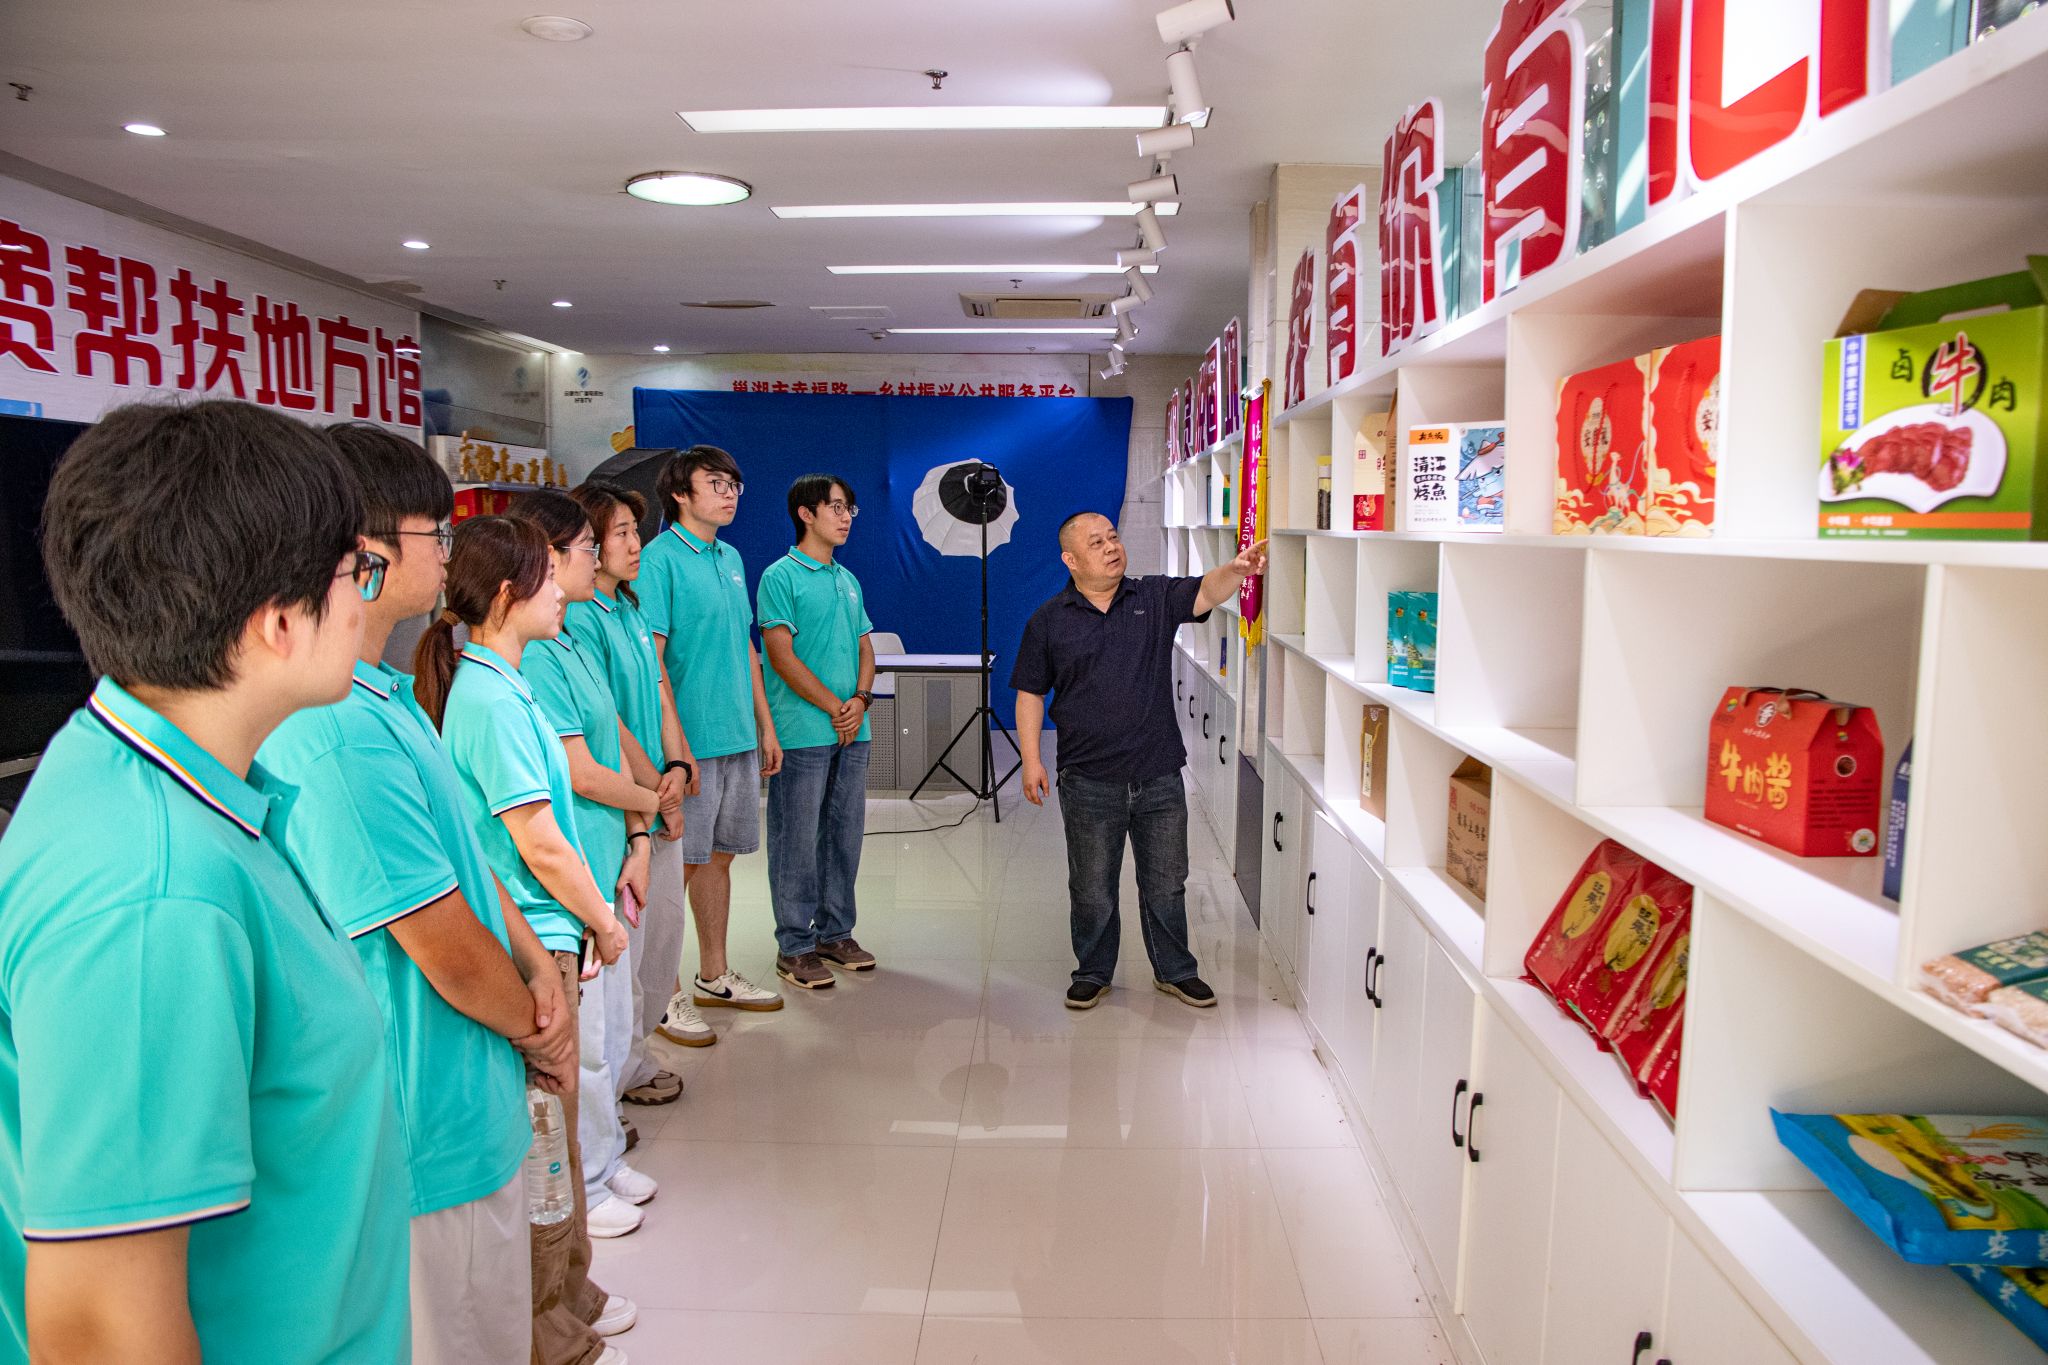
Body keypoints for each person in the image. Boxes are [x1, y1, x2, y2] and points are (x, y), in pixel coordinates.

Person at [0, 400, 409, 1361]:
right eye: (356, 571)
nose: (366, 601)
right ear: (277, 621)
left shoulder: (168, 786)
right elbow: (102, 1327)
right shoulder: (152, 894)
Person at [259, 425, 581, 1365]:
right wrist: (538, 1025)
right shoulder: (336, 729)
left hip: (468, 1102)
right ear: (364, 549)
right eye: (435, 532)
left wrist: (537, 966)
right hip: (421, 1128)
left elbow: (464, 864)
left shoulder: (387, 697)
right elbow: (437, 938)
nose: (449, 551)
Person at [412, 516, 636, 1364]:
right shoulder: (489, 697)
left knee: (560, 1132)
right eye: (548, 575)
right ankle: (547, 1326)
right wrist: (603, 920)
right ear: (508, 594)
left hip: (553, 933)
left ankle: (570, 1292)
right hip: (535, 941)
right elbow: (537, 841)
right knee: (545, 1140)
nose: (564, 590)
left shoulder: (507, 683)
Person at [1010, 512, 1267, 1010]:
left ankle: (1175, 970)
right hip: (1088, 780)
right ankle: (1093, 971)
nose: (1112, 547)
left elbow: (1205, 591)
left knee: (1166, 884)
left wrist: (1235, 571)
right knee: (1092, 889)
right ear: (1070, 559)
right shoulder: (1049, 619)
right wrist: (1031, 759)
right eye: (1097, 542)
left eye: (1113, 537)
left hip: (1158, 773)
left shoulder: (1152, 596)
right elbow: (1030, 693)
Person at [507, 491, 672, 1215]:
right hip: (575, 874)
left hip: (612, 855)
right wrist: (650, 803)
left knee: (613, 1027)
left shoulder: (574, 639)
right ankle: (589, 1178)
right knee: (590, 1039)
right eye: (589, 545)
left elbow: (614, 738)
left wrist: (639, 829)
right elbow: (578, 772)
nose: (602, 555)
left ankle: (605, 1161)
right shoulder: (538, 657)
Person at [567, 481, 716, 1065]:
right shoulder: (579, 619)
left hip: (657, 790)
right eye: (621, 533)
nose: (635, 545)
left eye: (636, 531)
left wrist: (677, 762)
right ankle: (625, 1071)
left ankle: (638, 1053)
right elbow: (608, 720)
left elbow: (657, 690)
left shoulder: (630, 608)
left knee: (662, 938)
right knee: (626, 945)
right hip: (625, 800)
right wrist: (656, 788)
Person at [638, 445, 784, 1016]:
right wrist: (677, 751)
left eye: (734, 485)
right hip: (690, 744)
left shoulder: (731, 556)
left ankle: (713, 974)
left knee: (720, 857)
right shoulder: (659, 560)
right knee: (678, 866)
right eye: (716, 484)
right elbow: (652, 662)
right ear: (680, 493)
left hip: (737, 737)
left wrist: (765, 725)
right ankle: (663, 992)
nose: (729, 495)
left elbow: (746, 646)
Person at [759, 473, 878, 990]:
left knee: (844, 836)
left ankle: (836, 933)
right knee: (796, 840)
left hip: (853, 730)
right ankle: (795, 945)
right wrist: (835, 706)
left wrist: (861, 700)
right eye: (835, 507)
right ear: (805, 514)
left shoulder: (847, 579)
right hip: (803, 731)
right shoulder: (779, 576)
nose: (846, 517)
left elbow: (866, 647)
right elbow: (780, 655)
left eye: (850, 508)